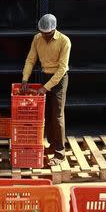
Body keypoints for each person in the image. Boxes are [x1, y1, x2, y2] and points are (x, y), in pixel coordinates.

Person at [21, 14, 71, 166]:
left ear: (54, 30)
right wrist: (25, 78)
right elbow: (31, 59)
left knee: (57, 116)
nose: (44, 36)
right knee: (47, 114)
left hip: (59, 80)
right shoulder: (37, 39)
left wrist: (45, 88)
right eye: (42, 33)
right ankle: (52, 145)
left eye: (47, 34)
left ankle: (60, 153)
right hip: (45, 76)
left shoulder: (64, 41)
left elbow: (62, 69)